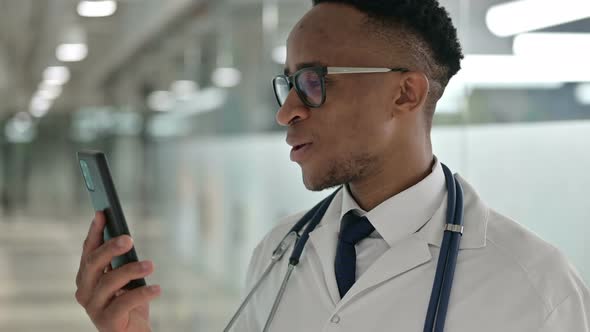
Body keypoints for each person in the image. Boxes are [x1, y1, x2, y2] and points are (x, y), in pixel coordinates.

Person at [75, 0, 590, 331]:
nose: (287, 111)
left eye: (314, 82)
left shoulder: (536, 292)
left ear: (405, 92)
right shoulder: (277, 254)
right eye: (288, 83)